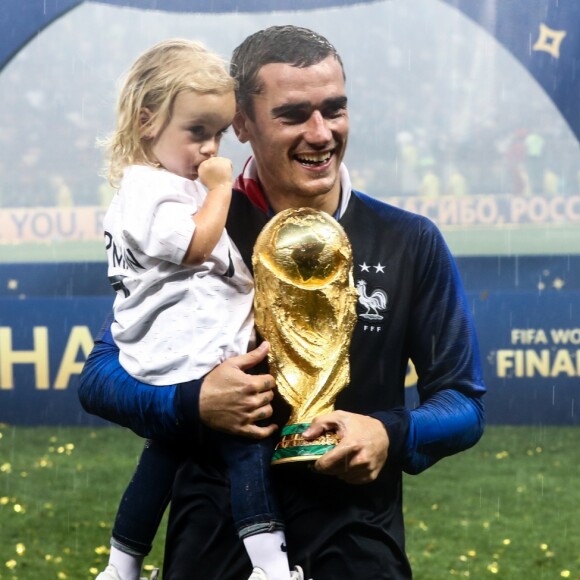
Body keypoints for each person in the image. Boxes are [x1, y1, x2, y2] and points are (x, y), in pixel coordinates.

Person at [79, 25, 486, 580]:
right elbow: (101, 376)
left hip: (357, 548)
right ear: (240, 125)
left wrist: (390, 433)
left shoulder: (408, 240)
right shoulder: (196, 227)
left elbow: (463, 403)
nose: (321, 133)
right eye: (293, 115)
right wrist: (193, 402)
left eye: (334, 109)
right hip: (211, 550)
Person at [91, 39, 302, 580]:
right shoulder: (152, 191)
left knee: (159, 463)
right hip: (190, 362)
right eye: (197, 132)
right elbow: (197, 246)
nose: (211, 149)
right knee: (246, 448)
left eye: (218, 134)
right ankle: (271, 566)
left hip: (176, 357)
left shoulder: (158, 186)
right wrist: (220, 190)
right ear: (146, 122)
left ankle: (121, 563)